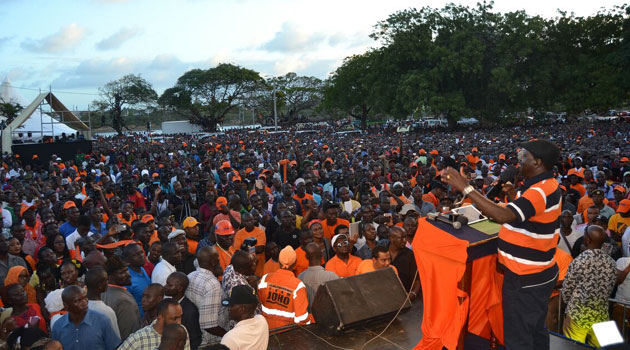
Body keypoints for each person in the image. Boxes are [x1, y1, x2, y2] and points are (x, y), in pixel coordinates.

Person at [442, 139, 561, 350]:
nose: (518, 162)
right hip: (538, 274)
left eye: (524, 157)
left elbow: (503, 215)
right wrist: (514, 196)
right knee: (535, 330)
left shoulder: (539, 191)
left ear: (538, 162)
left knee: (519, 338)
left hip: (525, 278)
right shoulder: (544, 185)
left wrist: (466, 187)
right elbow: (527, 216)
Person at [562, 225, 616, 347]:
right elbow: (610, 287)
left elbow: (567, 288)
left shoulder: (580, 260)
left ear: (587, 240)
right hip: (601, 314)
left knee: (573, 347)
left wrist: (568, 304)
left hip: (578, 314)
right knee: (602, 346)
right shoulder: (611, 262)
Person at [51, 285, 120, 350]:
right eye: (78, 301)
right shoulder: (58, 327)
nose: (84, 302)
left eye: (85, 298)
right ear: (66, 306)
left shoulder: (102, 321)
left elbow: (114, 347)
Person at [258, 246, 311, 329]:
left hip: (266, 329)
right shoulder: (297, 285)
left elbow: (259, 306)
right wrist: (312, 319)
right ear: (295, 263)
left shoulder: (265, 279)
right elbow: (301, 319)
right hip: (287, 332)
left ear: (279, 261)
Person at [186, 246, 227, 347]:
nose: (219, 261)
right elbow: (209, 325)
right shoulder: (213, 285)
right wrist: (228, 335)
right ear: (213, 262)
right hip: (211, 341)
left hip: (195, 335)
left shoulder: (190, 275)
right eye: (218, 259)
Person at [118, 298, 191, 350]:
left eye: (180, 317)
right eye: (174, 318)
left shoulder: (181, 331)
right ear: (160, 318)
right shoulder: (138, 339)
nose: (179, 322)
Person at [101, 254, 141, 340]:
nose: (127, 274)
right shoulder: (124, 301)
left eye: (126, 270)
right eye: (121, 273)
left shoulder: (102, 292)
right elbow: (130, 335)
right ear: (110, 277)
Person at [220, 284, 269, 350]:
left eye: (231, 305)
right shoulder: (262, 321)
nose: (229, 308)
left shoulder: (230, 338)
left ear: (241, 309)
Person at [164, 272, 202, 350]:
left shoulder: (190, 311)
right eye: (166, 283)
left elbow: (194, 339)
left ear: (180, 288)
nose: (165, 287)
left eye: (170, 285)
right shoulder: (168, 303)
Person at [298, 242, 339, 307]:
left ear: (306, 257)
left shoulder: (300, 277)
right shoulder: (332, 276)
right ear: (322, 255)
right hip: (327, 315)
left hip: (308, 316)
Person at [85, 267, 120, 338]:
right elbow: (114, 339)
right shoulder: (106, 312)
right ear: (100, 286)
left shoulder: (79, 307)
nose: (108, 282)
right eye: (106, 280)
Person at [233, 212, 266, 277]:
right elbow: (237, 252)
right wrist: (253, 249)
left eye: (251, 220)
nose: (250, 222)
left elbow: (260, 249)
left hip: (259, 269)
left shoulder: (260, 232)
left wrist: (245, 250)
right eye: (247, 221)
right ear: (243, 222)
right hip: (245, 271)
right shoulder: (239, 234)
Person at [122, 243, 151, 317]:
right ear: (127, 261)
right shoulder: (127, 279)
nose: (141, 256)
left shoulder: (141, 268)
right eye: (135, 255)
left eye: (141, 252)